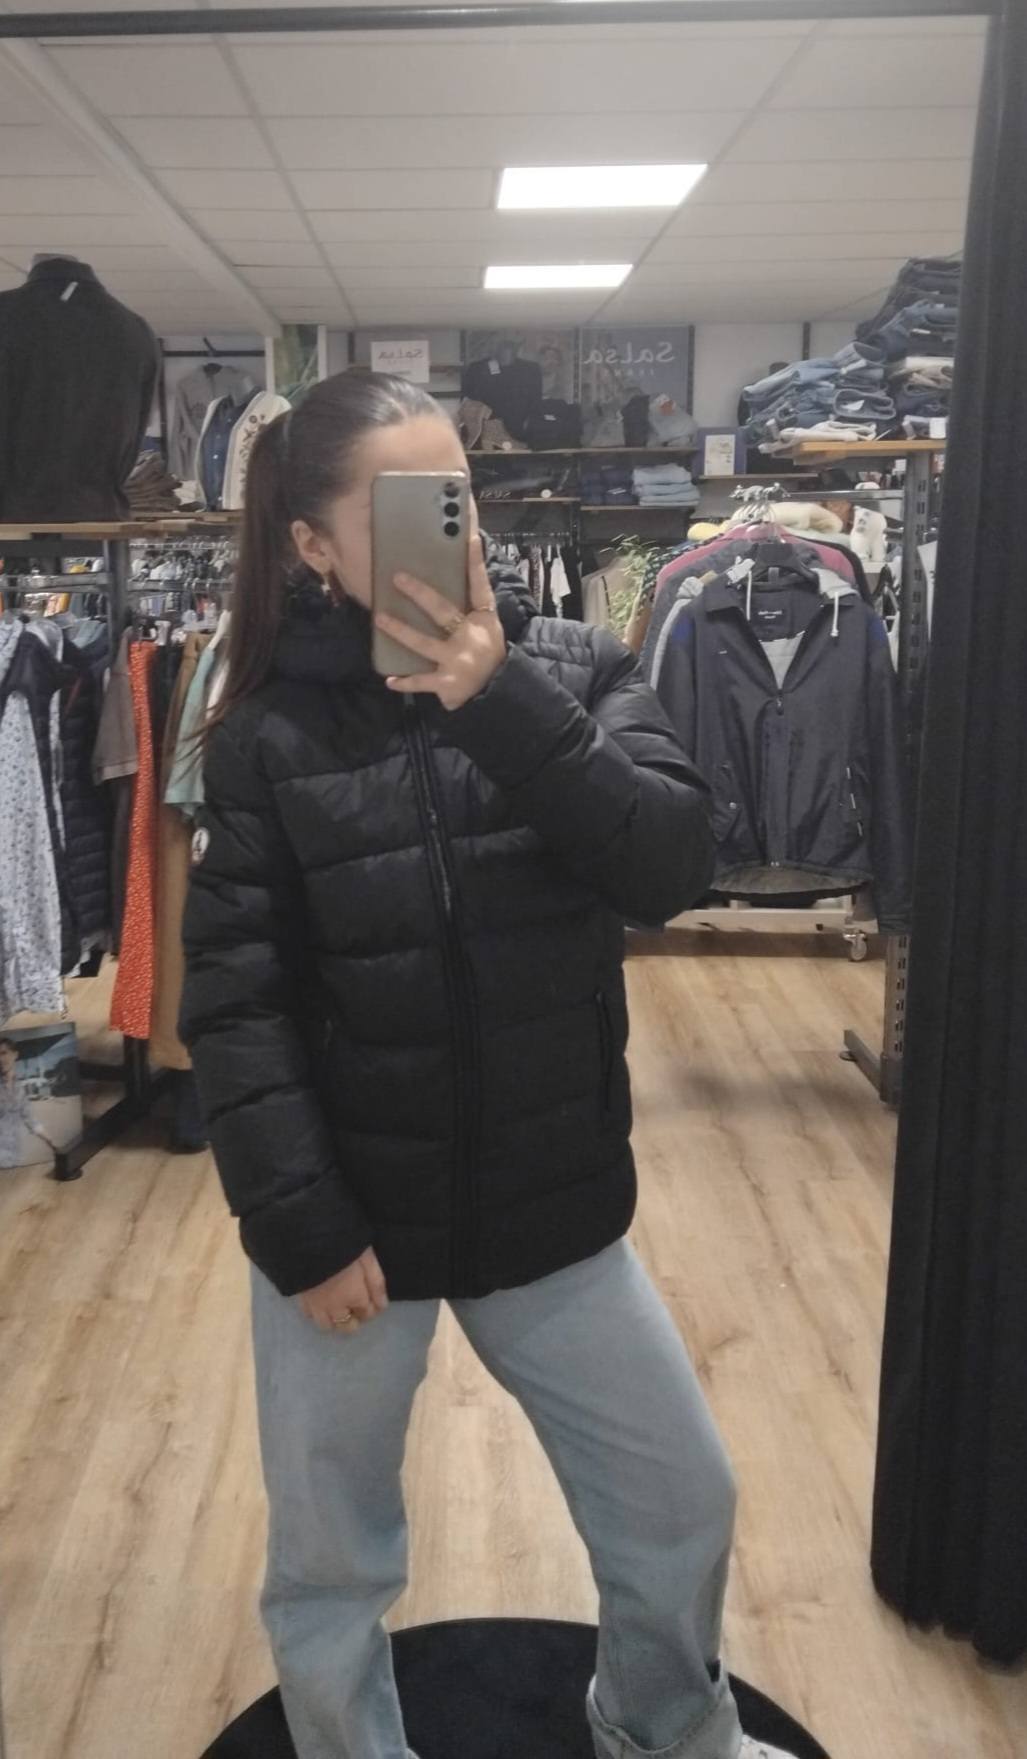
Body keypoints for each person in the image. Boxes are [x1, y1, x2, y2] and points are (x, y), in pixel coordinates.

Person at [180, 371, 800, 1759]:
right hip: (353, 1231)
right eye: (405, 506)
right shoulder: (267, 735)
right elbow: (235, 998)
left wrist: (500, 699)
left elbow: (667, 864)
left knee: (680, 1500)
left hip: (551, 1204)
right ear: (314, 546)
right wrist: (301, 1224)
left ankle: (666, 1731)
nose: (445, 531)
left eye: (453, 495)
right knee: (330, 1557)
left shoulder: (574, 669)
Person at [0, 1037, 57, 1169]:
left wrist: (51, 1142)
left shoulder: (19, 1088)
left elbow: (30, 1120)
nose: (0, 1059)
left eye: (4, 1053)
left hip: (14, 1154)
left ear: (15, 1054)